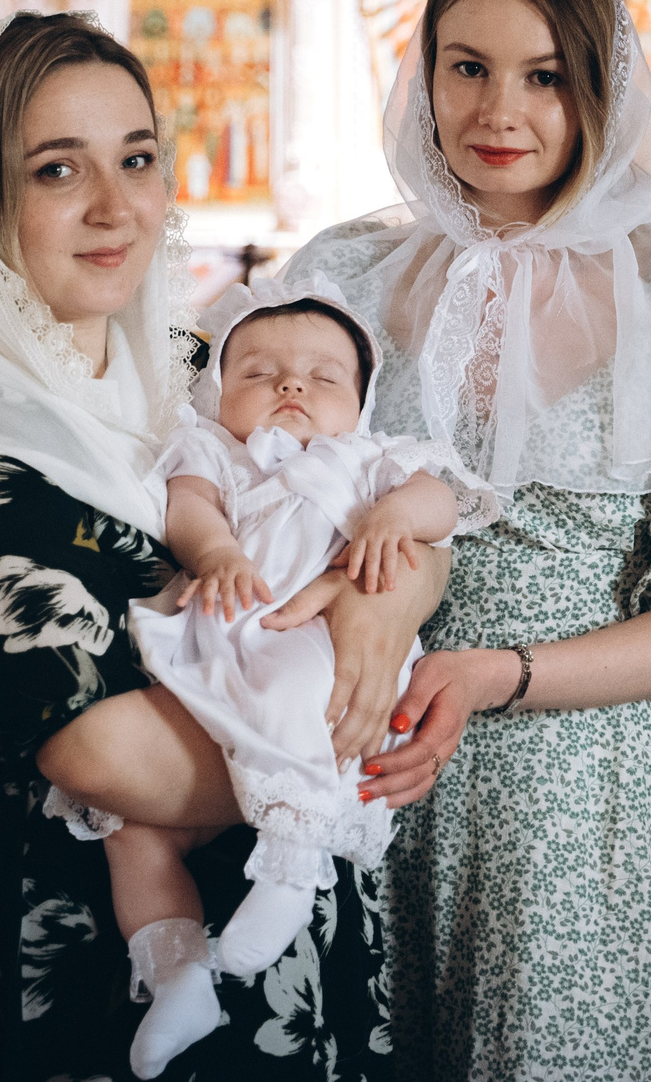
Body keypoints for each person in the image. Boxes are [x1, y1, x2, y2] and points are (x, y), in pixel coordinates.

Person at [0, 13, 447, 1081]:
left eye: (137, 158)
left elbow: (385, 488)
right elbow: (108, 756)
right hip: (77, 955)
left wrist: (383, 605)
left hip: (279, 919)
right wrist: (345, 745)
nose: (116, 208)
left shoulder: (201, 368)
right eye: (58, 168)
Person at [287, 0, 651, 1080]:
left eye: (545, 76)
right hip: (352, 778)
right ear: (423, 69)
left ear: (601, 83)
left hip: (575, 807)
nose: (501, 111)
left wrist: (499, 673)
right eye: (469, 66)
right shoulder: (342, 273)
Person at [49, 277, 477, 1078]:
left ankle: (290, 860)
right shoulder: (213, 449)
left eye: (323, 377)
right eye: (258, 372)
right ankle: (176, 971)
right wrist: (215, 552)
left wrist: (392, 517)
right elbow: (190, 507)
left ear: (362, 400)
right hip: (223, 645)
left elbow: (440, 500)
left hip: (315, 648)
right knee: (128, 825)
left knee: (293, 697)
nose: (290, 386)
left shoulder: (373, 459)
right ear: (216, 391)